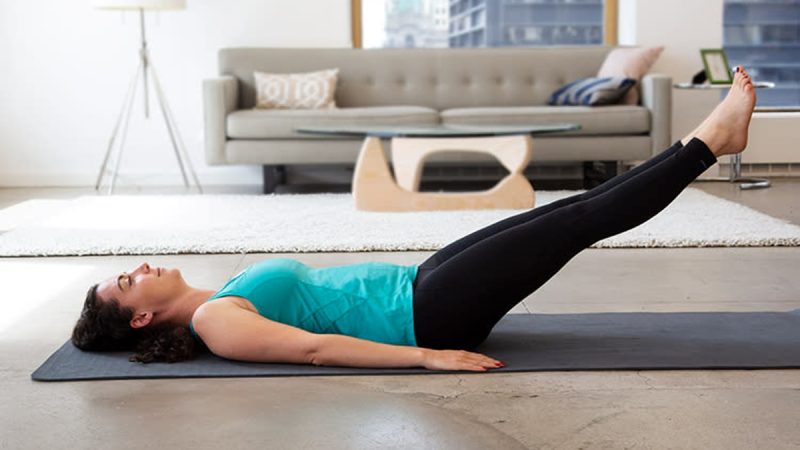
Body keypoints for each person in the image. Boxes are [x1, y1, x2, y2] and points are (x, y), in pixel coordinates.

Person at [72, 67, 757, 372]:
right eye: (129, 282)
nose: (141, 268)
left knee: (568, 210)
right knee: (577, 223)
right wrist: (427, 357)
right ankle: (708, 143)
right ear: (141, 318)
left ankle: (697, 143)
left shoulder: (219, 300)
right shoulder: (215, 323)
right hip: (427, 316)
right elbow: (315, 351)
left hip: (417, 283)